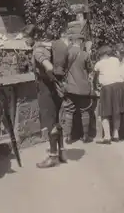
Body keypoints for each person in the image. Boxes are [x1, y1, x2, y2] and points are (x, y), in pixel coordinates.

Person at [24, 25, 68, 169]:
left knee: (50, 122)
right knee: (56, 120)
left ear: (33, 37)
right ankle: (62, 152)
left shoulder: (38, 50)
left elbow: (49, 67)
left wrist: (51, 78)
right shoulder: (48, 47)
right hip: (55, 88)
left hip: (46, 88)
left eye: (26, 37)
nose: (25, 40)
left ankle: (53, 157)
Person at [93, 45, 124, 144]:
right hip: (120, 86)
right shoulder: (116, 60)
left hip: (108, 87)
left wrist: (95, 87)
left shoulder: (99, 64)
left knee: (104, 112)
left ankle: (107, 137)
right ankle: (116, 134)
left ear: (103, 55)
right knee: (116, 111)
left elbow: (95, 78)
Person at [63, 33, 93, 144]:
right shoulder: (85, 54)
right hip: (83, 88)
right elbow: (90, 69)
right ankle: (85, 136)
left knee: (69, 111)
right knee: (85, 111)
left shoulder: (67, 53)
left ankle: (68, 137)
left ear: (72, 41)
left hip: (70, 87)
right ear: (80, 42)